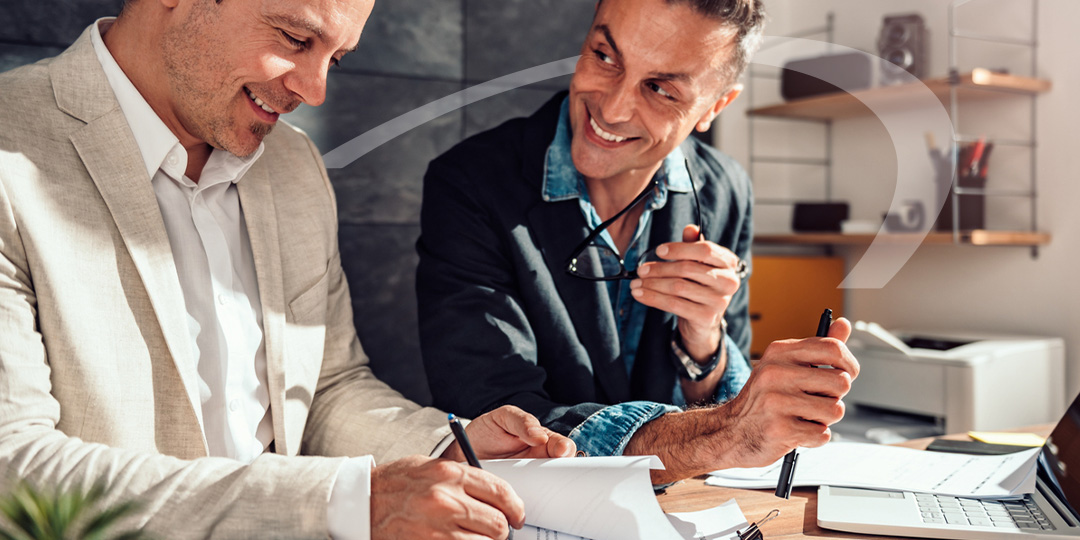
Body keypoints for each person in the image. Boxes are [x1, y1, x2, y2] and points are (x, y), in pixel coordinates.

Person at [0, 0, 575, 538]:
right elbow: (14, 465)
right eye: (295, 37)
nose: (316, 89)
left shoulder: (293, 163)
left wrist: (444, 449)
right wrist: (348, 502)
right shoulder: (11, 147)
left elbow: (325, 388)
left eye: (337, 58)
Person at [417, 0, 859, 485]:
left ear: (714, 107)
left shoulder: (727, 190)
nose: (611, 107)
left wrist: (705, 342)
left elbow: (715, 398)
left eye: (661, 89)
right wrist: (723, 433)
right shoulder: (470, 182)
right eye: (605, 56)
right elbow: (495, 422)